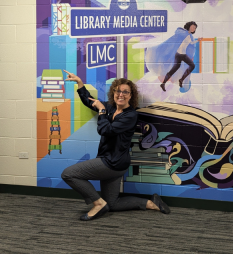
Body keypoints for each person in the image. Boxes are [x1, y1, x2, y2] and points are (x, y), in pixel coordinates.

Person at [61, 71, 170, 220]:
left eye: (126, 92)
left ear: (131, 96)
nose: (121, 94)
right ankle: (152, 203)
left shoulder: (130, 115)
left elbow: (105, 130)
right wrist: (80, 83)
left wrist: (101, 111)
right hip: (112, 161)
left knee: (68, 174)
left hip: (112, 163)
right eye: (118, 91)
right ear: (113, 92)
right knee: (113, 204)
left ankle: (98, 204)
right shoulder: (110, 108)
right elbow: (90, 101)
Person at [160, 21, 200, 91]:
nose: (194, 28)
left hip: (183, 55)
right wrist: (185, 32)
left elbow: (191, 42)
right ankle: (163, 83)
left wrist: (197, 40)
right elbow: (177, 31)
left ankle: (181, 80)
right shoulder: (182, 31)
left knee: (192, 66)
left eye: (195, 28)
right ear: (189, 26)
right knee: (174, 69)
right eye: (193, 26)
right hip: (178, 54)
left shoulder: (190, 36)